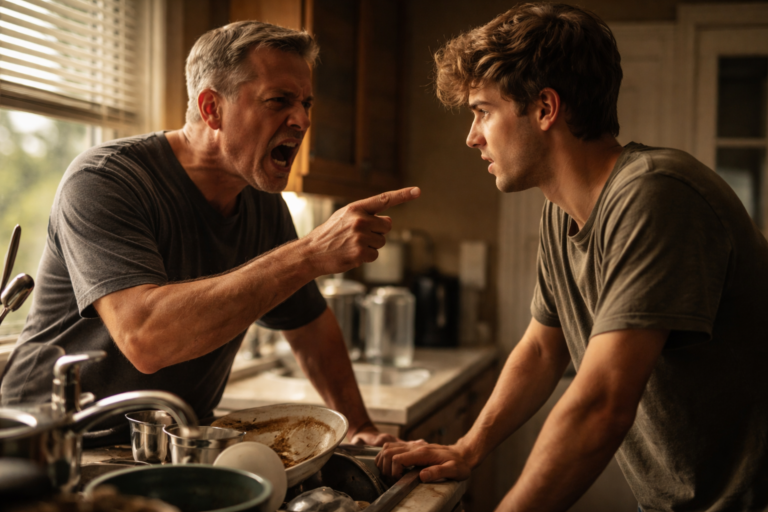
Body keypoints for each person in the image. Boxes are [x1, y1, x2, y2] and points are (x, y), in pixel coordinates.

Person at [376, 3, 768, 511]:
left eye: (482, 111)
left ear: (544, 108)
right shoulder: (562, 213)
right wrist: (468, 449)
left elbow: (602, 402)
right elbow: (542, 349)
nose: (472, 136)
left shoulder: (655, 193)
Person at [0, 20, 418, 447]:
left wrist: (361, 426)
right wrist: (308, 253)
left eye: (307, 104)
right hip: (45, 444)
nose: (302, 119)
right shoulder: (105, 180)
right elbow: (147, 339)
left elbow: (309, 327)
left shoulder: (260, 203)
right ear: (212, 108)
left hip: (168, 443)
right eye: (279, 101)